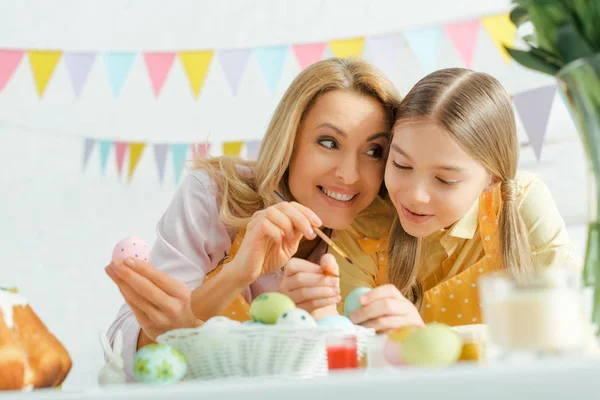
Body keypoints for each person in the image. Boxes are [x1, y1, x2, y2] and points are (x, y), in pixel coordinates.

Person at [104, 58, 402, 380]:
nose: (348, 174)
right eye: (329, 143)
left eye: (374, 151)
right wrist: (237, 273)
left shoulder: (385, 230)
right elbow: (128, 358)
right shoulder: (213, 196)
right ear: (289, 140)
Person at [364, 67, 581, 329]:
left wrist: (419, 338)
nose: (416, 196)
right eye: (401, 164)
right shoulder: (369, 220)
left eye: (446, 180)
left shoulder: (522, 200)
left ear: (492, 178)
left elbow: (571, 324)